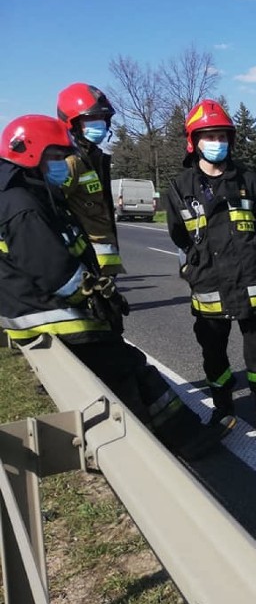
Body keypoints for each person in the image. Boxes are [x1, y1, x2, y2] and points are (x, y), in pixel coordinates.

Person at [0, 114, 227, 460]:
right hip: (53, 316)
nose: (64, 165)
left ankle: (181, 437)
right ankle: (152, 452)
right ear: (31, 155)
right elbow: (54, 271)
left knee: (131, 366)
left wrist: (99, 291)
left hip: (54, 311)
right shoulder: (22, 205)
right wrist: (93, 296)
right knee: (125, 375)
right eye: (57, 157)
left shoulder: (33, 195)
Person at [164, 100, 256, 443]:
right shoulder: (179, 187)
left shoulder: (250, 181)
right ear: (194, 141)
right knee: (214, 354)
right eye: (209, 135)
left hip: (252, 283)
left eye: (222, 135)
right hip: (209, 284)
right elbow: (178, 234)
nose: (217, 141)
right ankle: (223, 408)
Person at [56, 83, 124, 276]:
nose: (100, 123)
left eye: (102, 117)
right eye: (92, 117)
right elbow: (57, 209)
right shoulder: (70, 162)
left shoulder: (94, 157)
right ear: (73, 123)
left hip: (103, 265)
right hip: (85, 264)